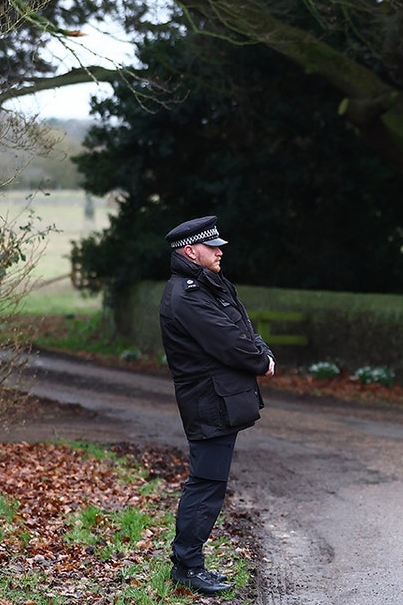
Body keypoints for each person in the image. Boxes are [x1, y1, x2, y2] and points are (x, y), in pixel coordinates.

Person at [159, 215, 275, 594]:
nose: (220, 250)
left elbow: (241, 324)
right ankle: (187, 566)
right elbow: (228, 340)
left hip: (218, 399)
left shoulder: (207, 285)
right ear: (191, 251)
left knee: (210, 482)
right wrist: (261, 361)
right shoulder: (188, 295)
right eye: (213, 246)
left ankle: (190, 563)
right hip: (209, 402)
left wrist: (262, 350)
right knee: (206, 484)